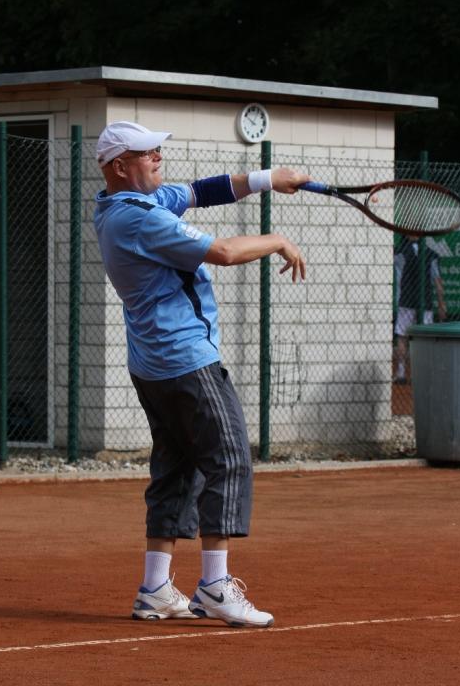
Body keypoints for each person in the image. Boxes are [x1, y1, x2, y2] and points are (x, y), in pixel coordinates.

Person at [94, 120, 309, 628]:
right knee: (229, 459)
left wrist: (270, 178)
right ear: (120, 166)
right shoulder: (138, 220)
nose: (158, 157)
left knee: (177, 469)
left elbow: (201, 191)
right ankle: (215, 586)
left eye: (157, 150)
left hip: (154, 364)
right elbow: (225, 253)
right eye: (147, 153)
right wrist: (277, 239)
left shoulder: (125, 205)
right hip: (185, 359)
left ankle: (155, 590)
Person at [393, 234, 446, 384]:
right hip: (426, 303)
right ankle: (420, 374)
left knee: (402, 336)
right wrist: (442, 304)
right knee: (424, 339)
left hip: (406, 301)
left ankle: (401, 372)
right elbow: (438, 284)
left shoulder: (399, 253)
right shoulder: (431, 255)